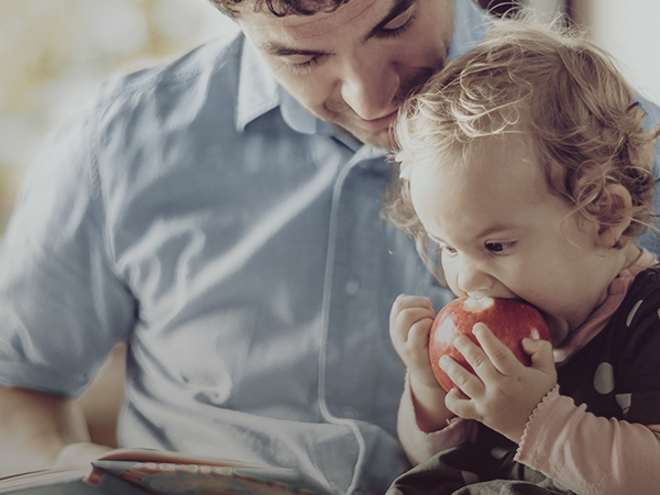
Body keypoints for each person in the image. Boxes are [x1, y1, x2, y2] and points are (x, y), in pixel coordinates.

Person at [0, 0, 493, 492]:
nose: (369, 100)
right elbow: (16, 385)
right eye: (303, 59)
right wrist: (78, 469)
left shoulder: (567, 101)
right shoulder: (116, 143)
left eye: (395, 25)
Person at [386, 19, 660, 495]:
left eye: (496, 246)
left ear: (603, 215)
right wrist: (430, 388)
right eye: (450, 247)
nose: (467, 278)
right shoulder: (515, 324)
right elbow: (430, 461)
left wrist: (537, 420)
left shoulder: (649, 318)